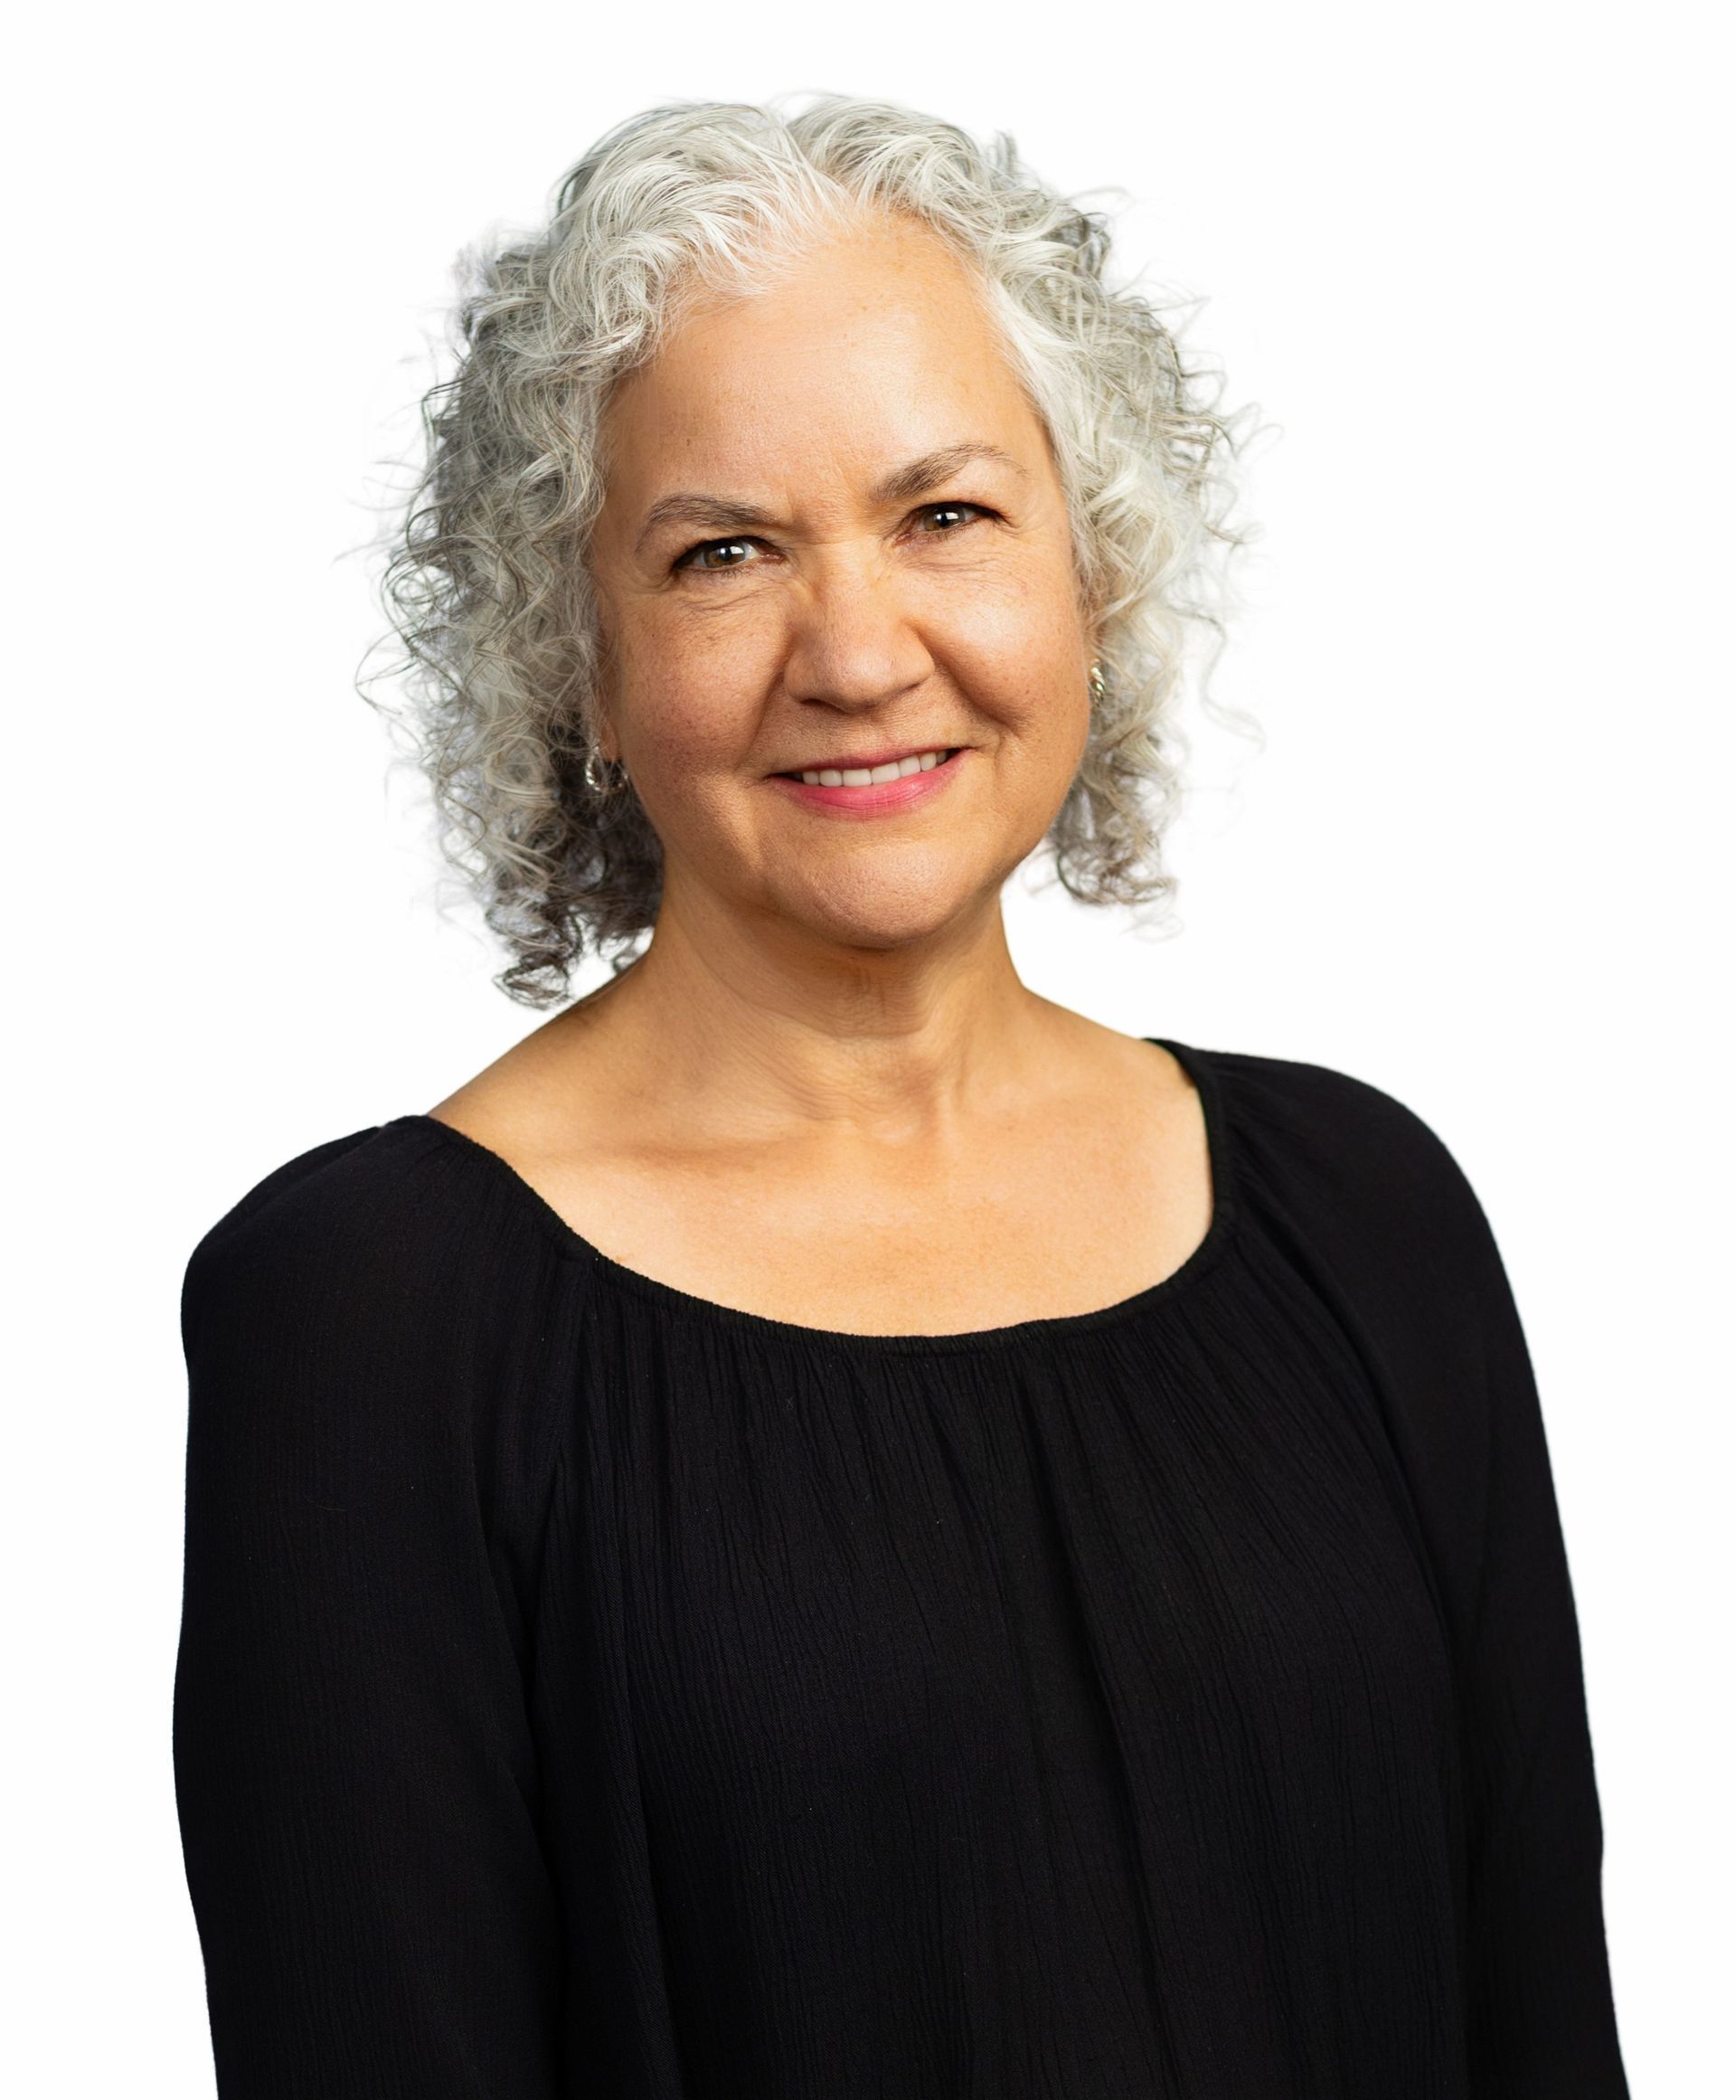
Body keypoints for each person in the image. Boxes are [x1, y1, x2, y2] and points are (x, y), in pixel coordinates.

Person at [171, 93, 1629, 2098]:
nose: (858, 650)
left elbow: (1543, 2027)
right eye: (724, 552)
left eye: (944, 516)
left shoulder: (1366, 1217)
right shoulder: (373, 1317)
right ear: (580, 662)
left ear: (1089, 573)